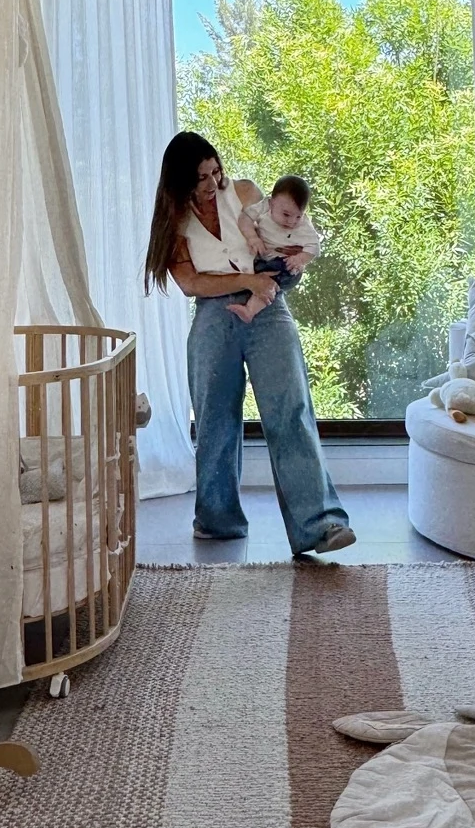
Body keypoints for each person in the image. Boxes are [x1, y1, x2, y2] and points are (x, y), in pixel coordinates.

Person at [143, 131, 355, 555]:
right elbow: (190, 284)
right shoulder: (175, 223)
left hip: (267, 308)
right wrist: (245, 279)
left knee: (290, 408)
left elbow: (288, 236)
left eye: (214, 170)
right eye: (200, 177)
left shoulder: (243, 194)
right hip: (212, 312)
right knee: (214, 417)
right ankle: (217, 520)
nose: (211, 182)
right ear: (180, 181)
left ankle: (319, 524)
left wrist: (282, 271)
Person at [228, 174, 321, 323]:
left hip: (286, 266)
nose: (291, 222)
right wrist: (253, 237)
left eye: (298, 216)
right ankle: (245, 286)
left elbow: (315, 247)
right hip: (263, 257)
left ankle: (250, 310)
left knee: (280, 273)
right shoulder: (264, 207)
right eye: (286, 214)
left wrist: (299, 259)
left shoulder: (304, 226)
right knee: (244, 259)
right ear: (271, 203)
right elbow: (245, 218)